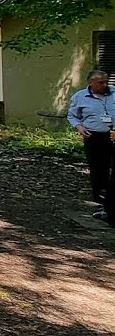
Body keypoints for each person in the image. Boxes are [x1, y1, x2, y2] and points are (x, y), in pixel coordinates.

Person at [68, 68, 115, 223]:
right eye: (100, 82)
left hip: (113, 135)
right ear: (91, 83)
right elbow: (73, 115)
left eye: (106, 82)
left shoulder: (114, 92)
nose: (104, 85)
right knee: (98, 169)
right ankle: (101, 201)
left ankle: (110, 201)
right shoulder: (80, 97)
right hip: (94, 137)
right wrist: (80, 128)